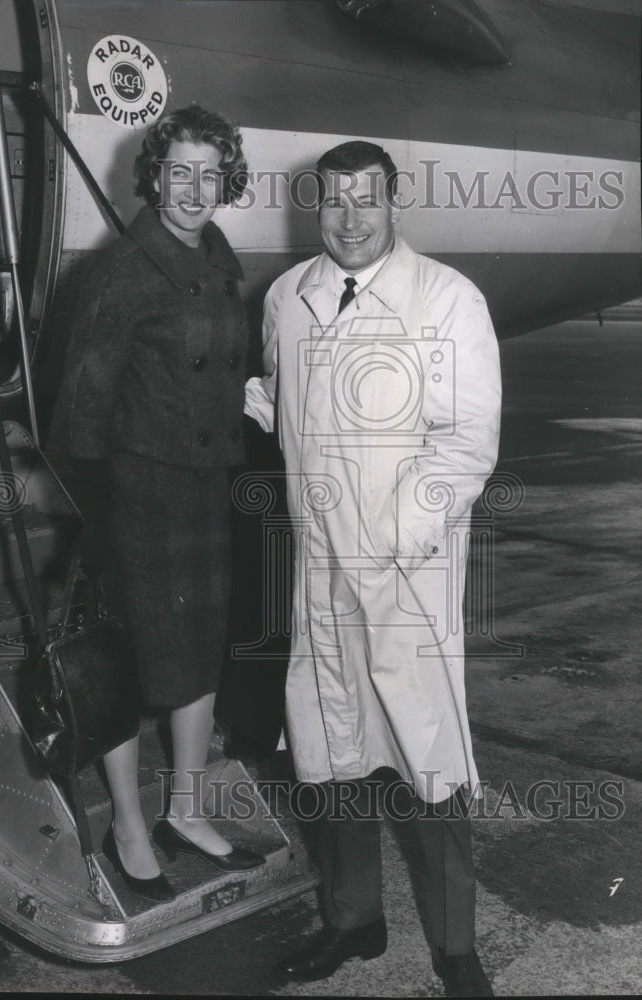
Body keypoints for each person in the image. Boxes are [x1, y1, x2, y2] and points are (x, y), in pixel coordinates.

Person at [244, 141, 501, 995]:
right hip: (317, 575)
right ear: (315, 207)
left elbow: (467, 443)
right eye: (334, 202)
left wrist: (393, 537)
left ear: (396, 203)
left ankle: (456, 948)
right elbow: (282, 408)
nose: (350, 219)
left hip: (405, 578)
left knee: (429, 762)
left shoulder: (448, 300)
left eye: (368, 200)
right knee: (329, 754)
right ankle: (354, 922)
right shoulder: (289, 296)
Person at [50, 104, 264, 902]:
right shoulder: (124, 274)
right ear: (155, 176)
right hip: (138, 498)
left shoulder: (217, 258)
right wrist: (96, 524)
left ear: (228, 180)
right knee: (132, 664)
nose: (195, 189)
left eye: (212, 173)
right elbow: (79, 415)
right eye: (181, 172)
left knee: (198, 655)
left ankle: (186, 810)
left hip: (203, 492)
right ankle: (129, 831)